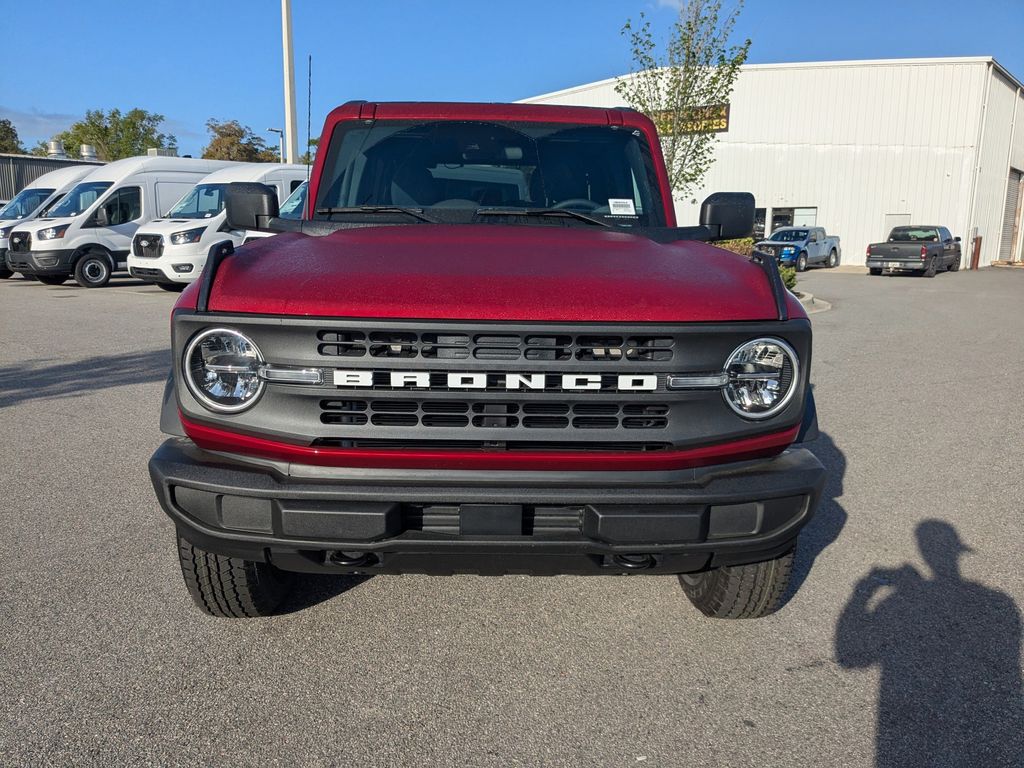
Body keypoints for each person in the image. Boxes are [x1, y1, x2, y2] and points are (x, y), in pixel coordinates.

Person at [836, 520, 1023, 767]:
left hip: (901, 740)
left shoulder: (894, 604)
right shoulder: (1000, 603)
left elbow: (850, 657)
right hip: (997, 738)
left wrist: (861, 593)